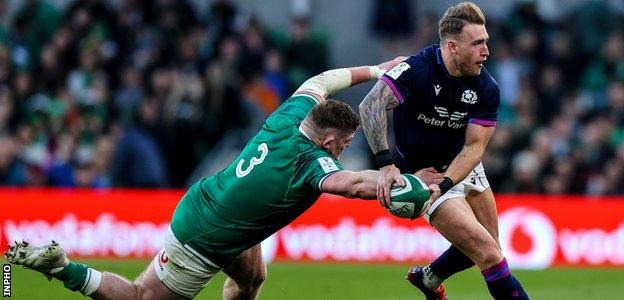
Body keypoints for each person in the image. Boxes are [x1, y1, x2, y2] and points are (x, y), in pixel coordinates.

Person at [5, 58, 413, 300]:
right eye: (344, 144)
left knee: (252, 276)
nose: (344, 149)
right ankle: (62, 267)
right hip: (204, 235)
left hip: (213, 200)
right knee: (140, 296)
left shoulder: (289, 116)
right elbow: (355, 185)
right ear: (327, 139)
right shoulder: (310, 163)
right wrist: (399, 181)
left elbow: (321, 82)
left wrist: (378, 70)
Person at [359, 2, 529, 300]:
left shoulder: (486, 87)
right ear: (452, 46)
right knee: (489, 254)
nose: (486, 51)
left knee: (490, 248)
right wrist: (386, 165)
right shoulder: (416, 69)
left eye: (486, 41)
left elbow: (475, 147)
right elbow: (370, 105)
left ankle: (429, 278)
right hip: (423, 176)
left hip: (462, 167)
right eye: (478, 43)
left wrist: (448, 181)